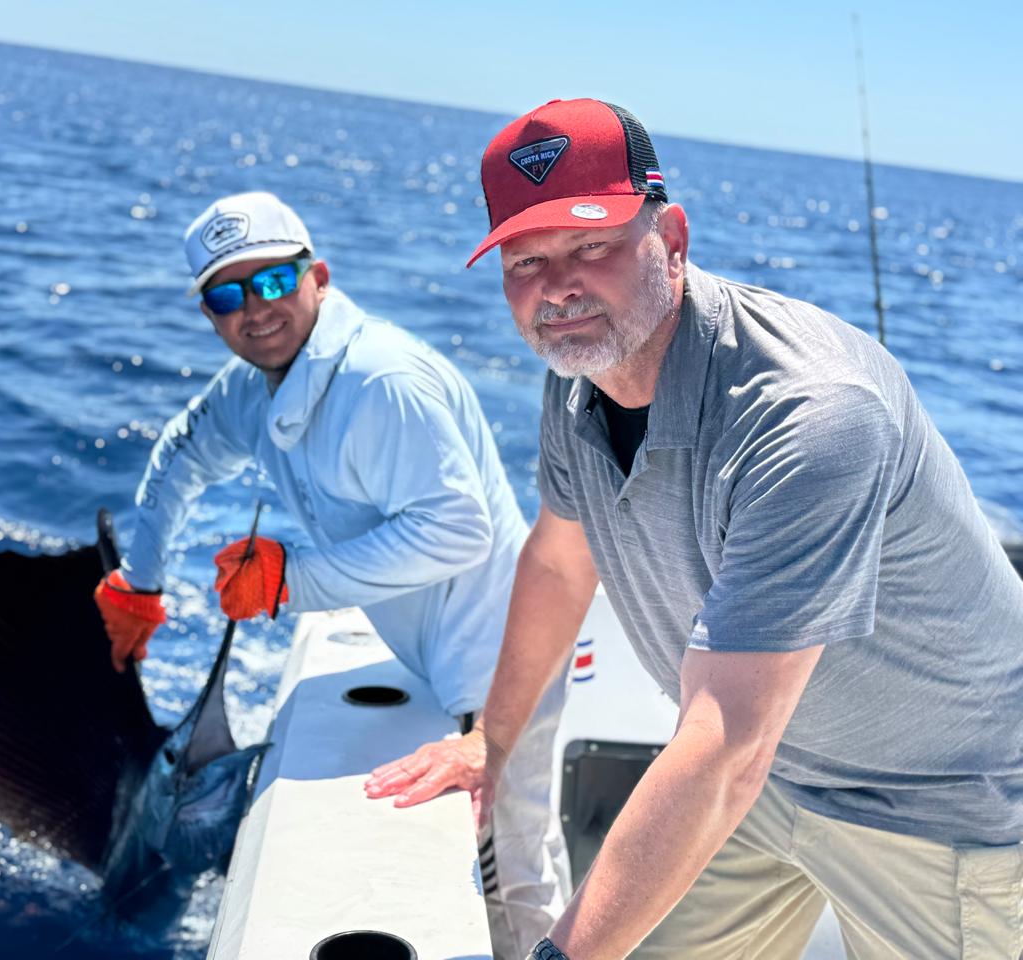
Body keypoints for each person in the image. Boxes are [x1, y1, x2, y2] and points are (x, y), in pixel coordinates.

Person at [364, 99, 1023, 959]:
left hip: (935, 809)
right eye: (526, 259)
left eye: (591, 245)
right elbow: (563, 562)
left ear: (670, 237)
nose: (557, 286)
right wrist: (490, 741)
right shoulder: (579, 373)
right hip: (771, 775)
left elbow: (725, 745)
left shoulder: (812, 415)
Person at [92, 190, 571, 957]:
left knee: (515, 879)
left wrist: (292, 582)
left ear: (317, 274)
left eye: (273, 282)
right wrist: (140, 584)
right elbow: (181, 455)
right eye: (227, 295)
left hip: (501, 659)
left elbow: (458, 531)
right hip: (433, 658)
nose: (255, 309)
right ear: (211, 315)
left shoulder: (382, 382)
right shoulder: (254, 387)